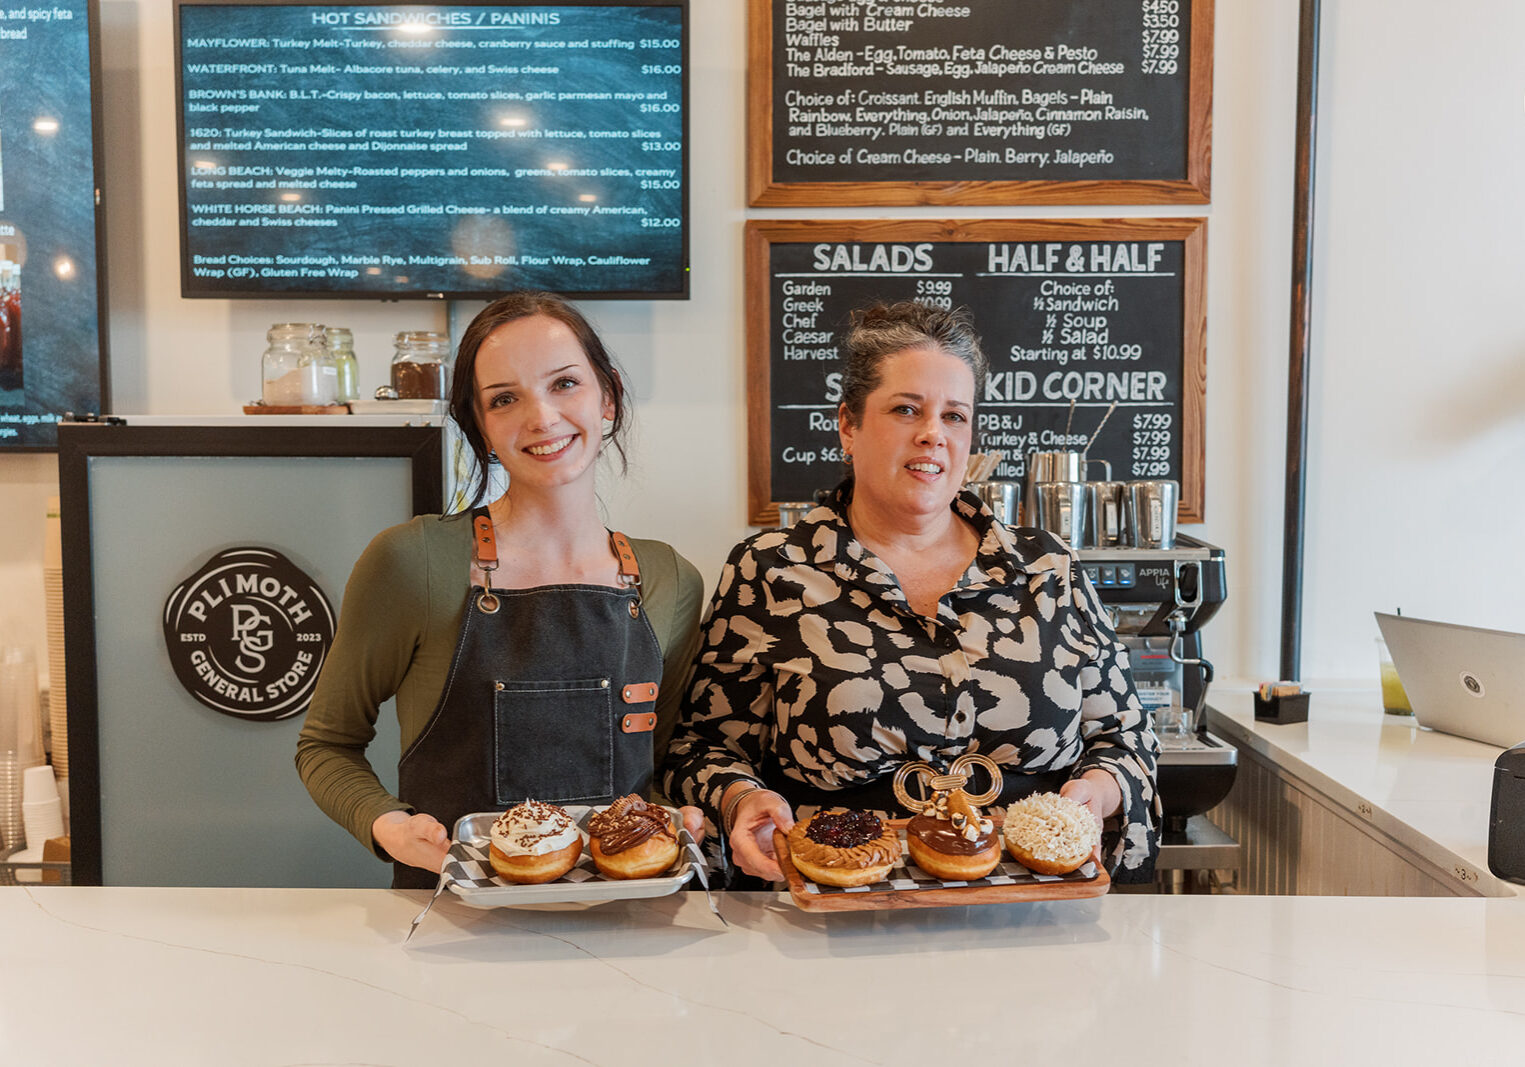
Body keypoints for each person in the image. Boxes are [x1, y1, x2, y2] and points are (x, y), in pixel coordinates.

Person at [662, 300, 1158, 884]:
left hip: (1032, 900)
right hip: (840, 896)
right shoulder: (772, 570)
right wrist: (742, 800)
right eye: (906, 410)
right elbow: (700, 748)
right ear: (849, 425)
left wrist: (1095, 795)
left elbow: (1126, 737)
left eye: (955, 416)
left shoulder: (1047, 567)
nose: (933, 435)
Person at [297, 292, 705, 889]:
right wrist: (387, 824)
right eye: (505, 399)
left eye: (565, 384)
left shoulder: (669, 579)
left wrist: (682, 813)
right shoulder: (414, 562)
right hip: (458, 924)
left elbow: (666, 764)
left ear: (608, 396)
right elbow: (326, 746)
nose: (541, 417)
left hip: (627, 919)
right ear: (481, 427)